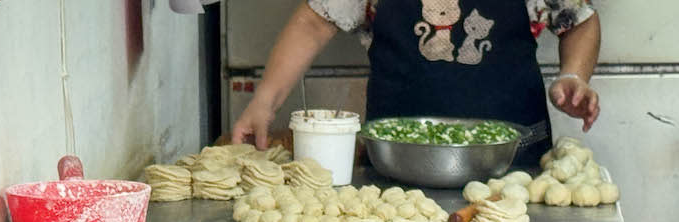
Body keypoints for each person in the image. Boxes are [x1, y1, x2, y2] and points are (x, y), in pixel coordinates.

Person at [232, 0, 601, 165]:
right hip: (399, 165)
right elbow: (314, 22)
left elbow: (580, 20)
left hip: (513, 165)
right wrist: (264, 101)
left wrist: (573, 76)